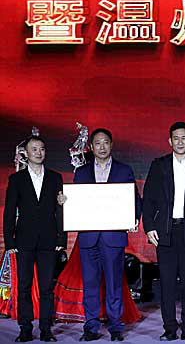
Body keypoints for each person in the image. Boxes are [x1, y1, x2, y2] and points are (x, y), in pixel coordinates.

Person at [63, 128, 142, 341]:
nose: (102, 147)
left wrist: (133, 218)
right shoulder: (82, 172)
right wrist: (66, 202)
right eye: (97, 143)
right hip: (89, 237)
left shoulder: (124, 170)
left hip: (113, 237)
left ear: (111, 144)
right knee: (90, 284)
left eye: (105, 142)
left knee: (114, 283)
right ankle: (91, 327)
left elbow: (134, 198)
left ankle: (115, 327)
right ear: (91, 147)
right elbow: (77, 201)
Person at [142, 122, 185, 341]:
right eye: (176, 138)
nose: (180, 142)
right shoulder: (159, 165)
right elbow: (148, 199)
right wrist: (149, 227)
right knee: (167, 283)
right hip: (165, 232)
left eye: (184, 138)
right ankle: (170, 329)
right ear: (169, 141)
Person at [3, 136, 65, 342]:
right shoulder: (16, 179)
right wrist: (10, 241)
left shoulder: (55, 177)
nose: (39, 152)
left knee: (47, 287)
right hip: (24, 241)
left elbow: (60, 210)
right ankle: (25, 328)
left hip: (49, 240)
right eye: (34, 149)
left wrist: (61, 238)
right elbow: (9, 212)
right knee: (24, 287)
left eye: (42, 149)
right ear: (26, 153)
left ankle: (46, 329)